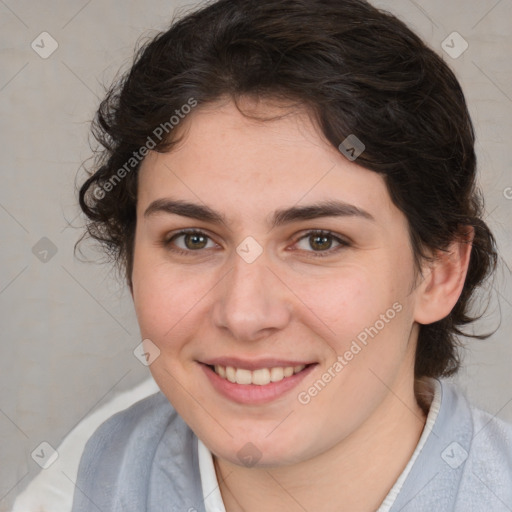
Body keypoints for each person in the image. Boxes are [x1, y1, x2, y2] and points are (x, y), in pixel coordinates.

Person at [69, 0, 512, 510]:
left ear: (439, 273)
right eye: (193, 239)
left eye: (319, 241)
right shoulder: (87, 469)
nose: (244, 315)